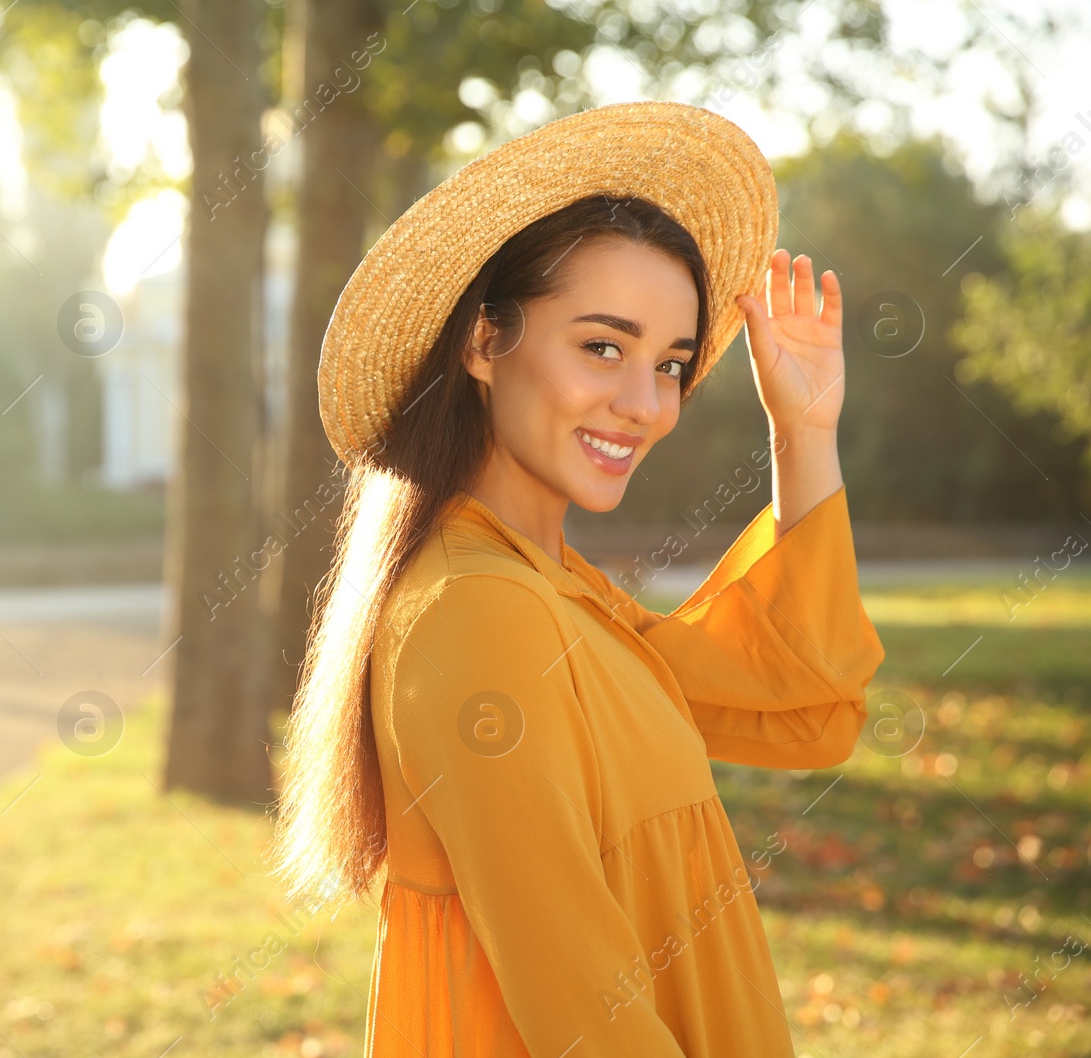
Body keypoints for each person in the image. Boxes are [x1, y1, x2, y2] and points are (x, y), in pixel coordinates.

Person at [268, 101, 886, 1056]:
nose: (645, 404)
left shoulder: (557, 592)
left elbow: (807, 701)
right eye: (603, 345)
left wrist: (802, 434)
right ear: (482, 342)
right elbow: (585, 1017)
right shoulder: (480, 614)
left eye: (671, 363)